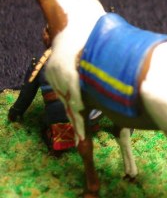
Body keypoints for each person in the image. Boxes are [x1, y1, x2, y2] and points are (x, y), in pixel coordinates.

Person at [7, 25, 101, 153]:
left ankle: (57, 139)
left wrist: (15, 112)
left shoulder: (39, 64)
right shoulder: (84, 58)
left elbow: (26, 95)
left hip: (60, 119)